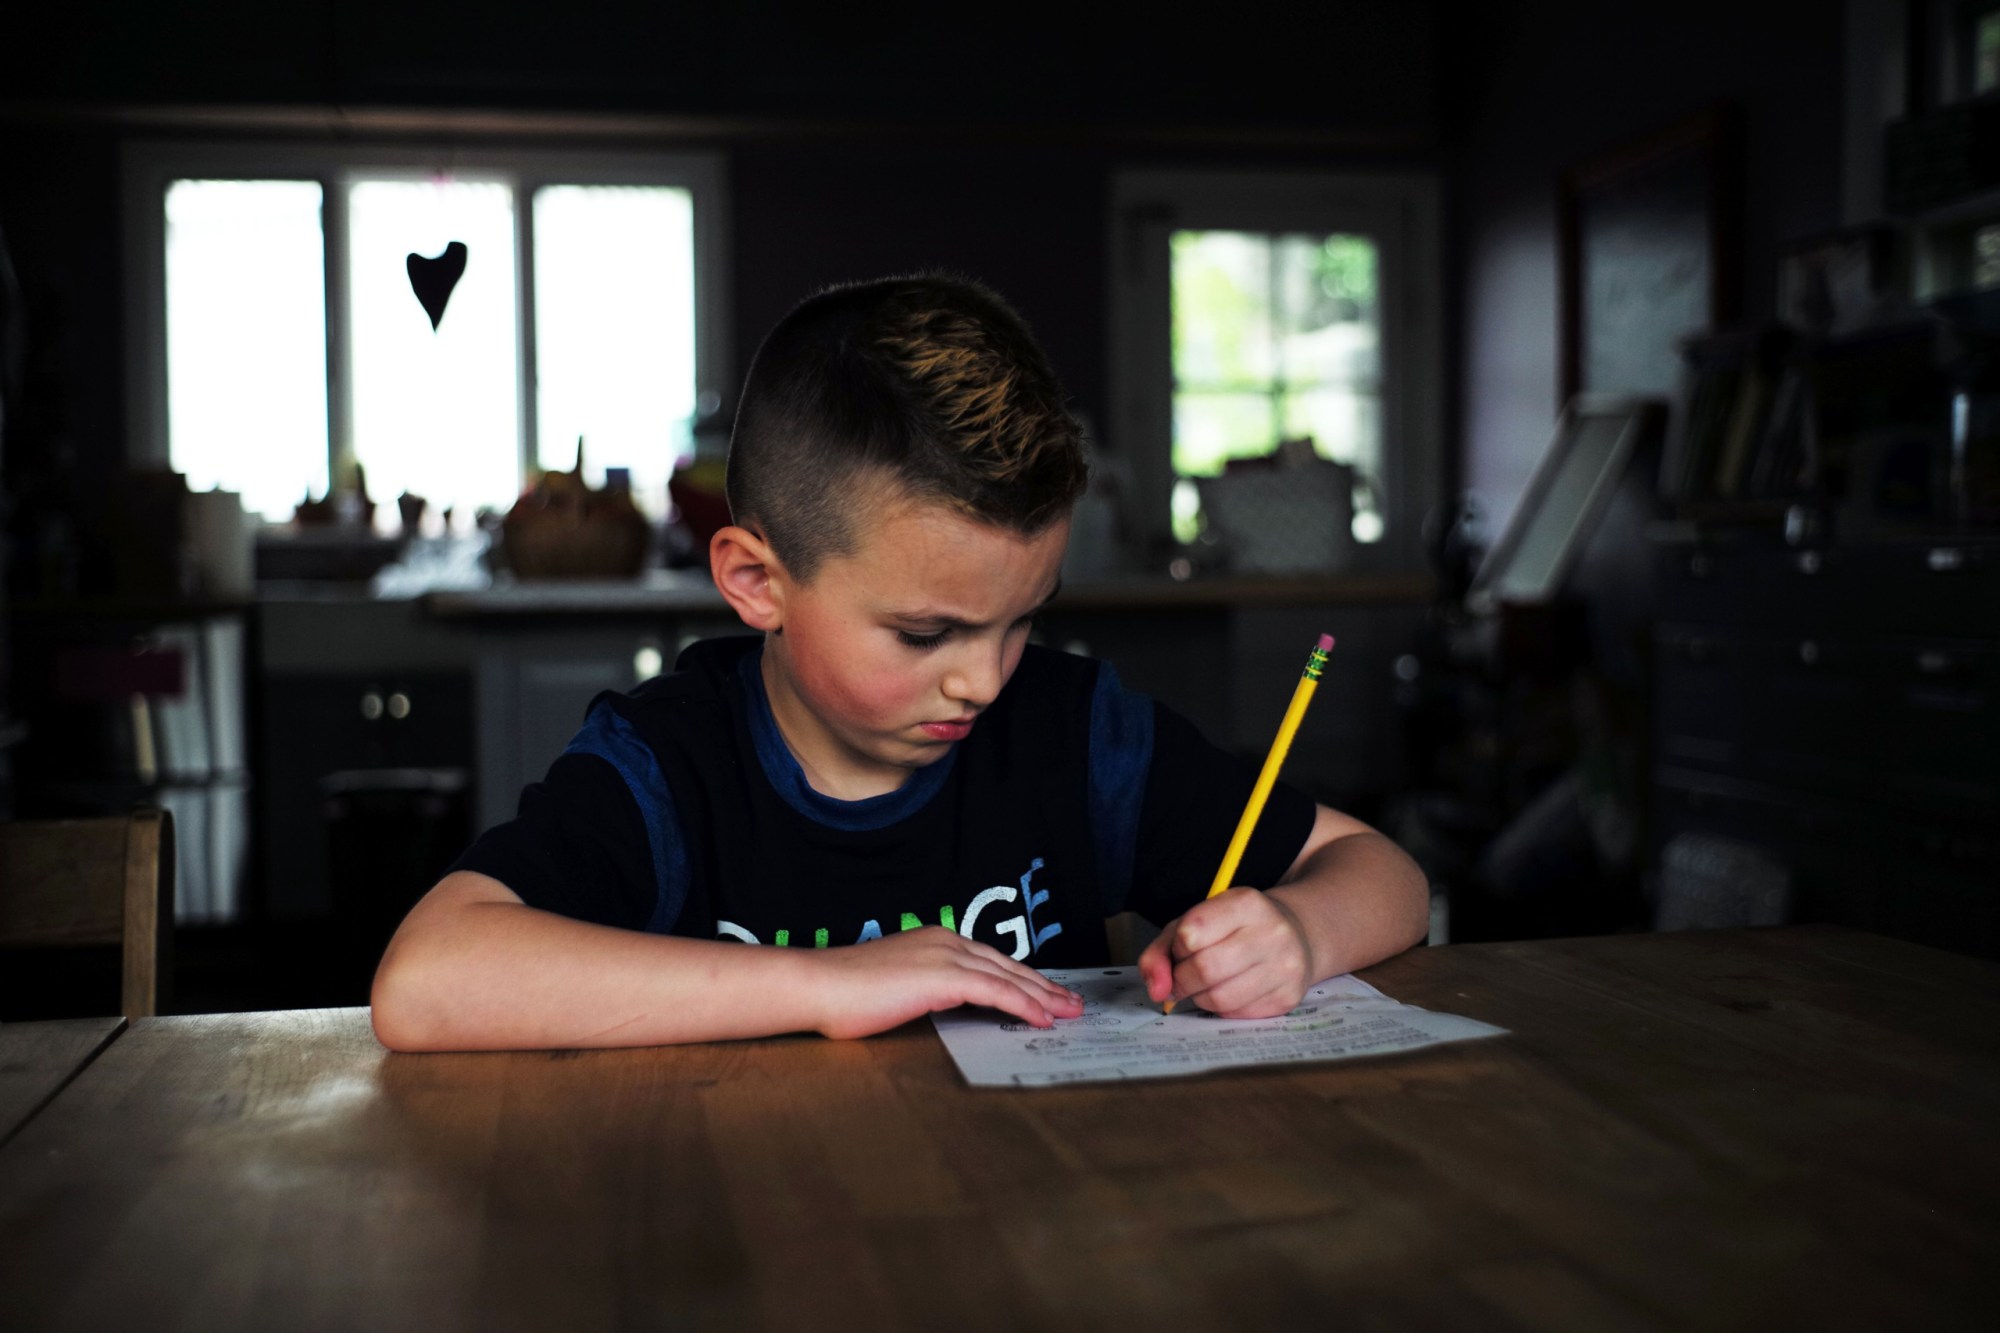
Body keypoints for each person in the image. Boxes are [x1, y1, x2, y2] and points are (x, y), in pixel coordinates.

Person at [370, 274, 1428, 1052]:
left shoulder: (1072, 733)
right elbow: (427, 980)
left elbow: (1385, 876)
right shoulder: (671, 762)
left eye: (1021, 620)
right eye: (926, 635)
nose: (984, 678)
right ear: (755, 582)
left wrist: (1293, 929)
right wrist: (822, 984)